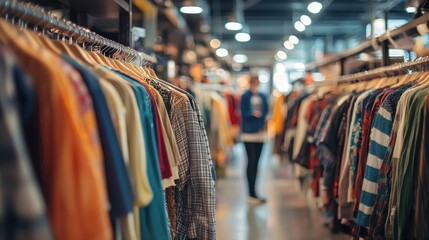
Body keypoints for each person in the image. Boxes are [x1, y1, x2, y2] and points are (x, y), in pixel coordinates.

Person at [240, 75, 269, 205]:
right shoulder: (245, 96)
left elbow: (266, 111)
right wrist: (253, 114)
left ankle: (254, 192)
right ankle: (250, 193)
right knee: (251, 162)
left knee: (256, 163)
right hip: (248, 134)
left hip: (260, 134)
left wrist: (261, 117)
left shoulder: (262, 95)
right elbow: (243, 112)